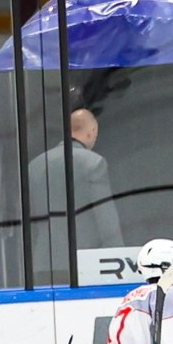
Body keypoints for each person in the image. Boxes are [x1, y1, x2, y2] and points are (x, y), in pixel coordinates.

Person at [27, 102, 125, 265]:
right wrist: (119, 258)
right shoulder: (94, 163)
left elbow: (28, 220)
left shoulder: (34, 166)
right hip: (83, 263)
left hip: (42, 263)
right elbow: (106, 219)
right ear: (91, 131)